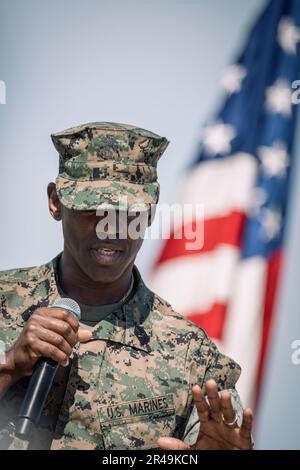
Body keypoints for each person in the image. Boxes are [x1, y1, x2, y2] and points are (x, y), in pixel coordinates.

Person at [0, 122, 253, 450]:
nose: (111, 227)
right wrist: (9, 366)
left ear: (150, 213)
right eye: (93, 207)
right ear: (55, 202)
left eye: (129, 211)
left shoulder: (193, 356)